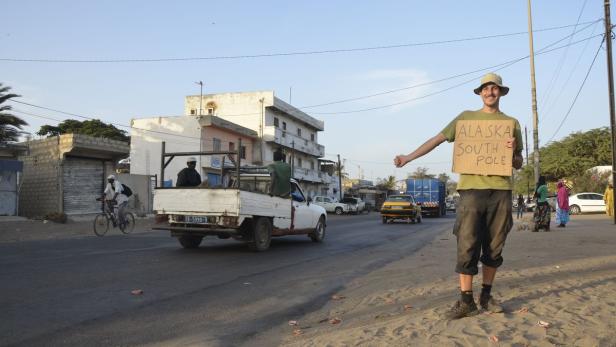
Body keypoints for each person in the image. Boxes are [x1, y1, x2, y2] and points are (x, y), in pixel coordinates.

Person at [393, 73, 523, 319]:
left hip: (501, 190)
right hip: (471, 190)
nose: (489, 92)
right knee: (467, 243)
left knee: (495, 246)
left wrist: (513, 151)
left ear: (501, 92)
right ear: (480, 93)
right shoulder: (465, 119)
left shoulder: (511, 124)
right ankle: (466, 301)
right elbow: (437, 139)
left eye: (494, 88)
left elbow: (518, 163)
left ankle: (486, 295)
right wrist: (408, 157)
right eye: (485, 89)